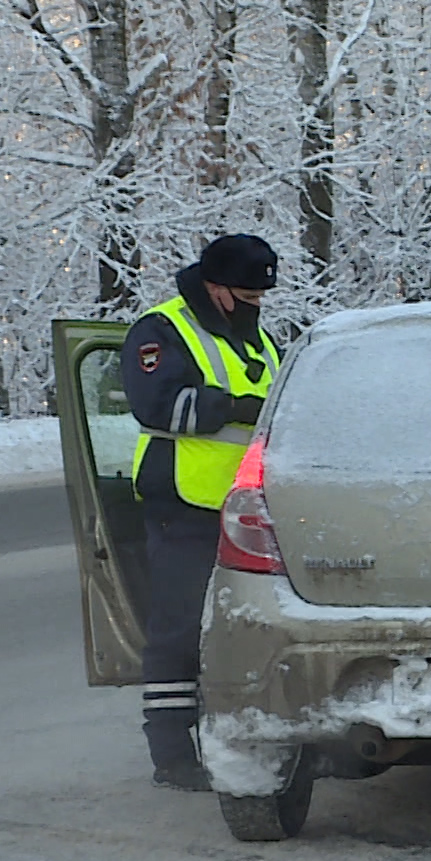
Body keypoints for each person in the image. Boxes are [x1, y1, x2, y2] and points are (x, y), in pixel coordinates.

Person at [121, 234, 283, 790]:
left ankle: (250, 737)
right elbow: (158, 404)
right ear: (216, 289)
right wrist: (234, 408)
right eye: (247, 295)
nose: (257, 306)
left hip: (249, 510)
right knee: (180, 629)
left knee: (253, 625)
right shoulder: (161, 331)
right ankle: (171, 755)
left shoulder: (256, 336)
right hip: (184, 505)